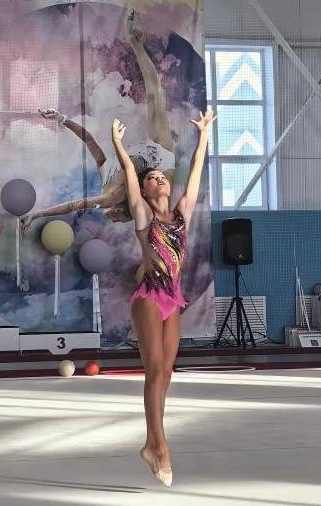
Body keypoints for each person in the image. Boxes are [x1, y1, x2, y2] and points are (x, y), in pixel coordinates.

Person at [111, 110, 216, 487]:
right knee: (154, 368)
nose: (159, 179)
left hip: (173, 298)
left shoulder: (182, 215)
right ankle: (161, 446)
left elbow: (197, 171)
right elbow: (129, 174)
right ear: (145, 191)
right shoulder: (143, 216)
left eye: (161, 176)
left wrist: (204, 136)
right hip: (149, 298)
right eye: (152, 178)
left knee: (166, 372)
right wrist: (119, 145)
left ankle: (150, 443)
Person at [21, 9, 175, 233]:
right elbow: (73, 205)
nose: (112, 220)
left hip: (145, 159)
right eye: (118, 220)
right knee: (155, 94)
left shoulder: (105, 178)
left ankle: (135, 41)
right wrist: (37, 214)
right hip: (159, 158)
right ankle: (135, 41)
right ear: (121, 212)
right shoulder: (109, 198)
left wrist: (61, 118)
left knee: (155, 95)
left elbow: (88, 140)